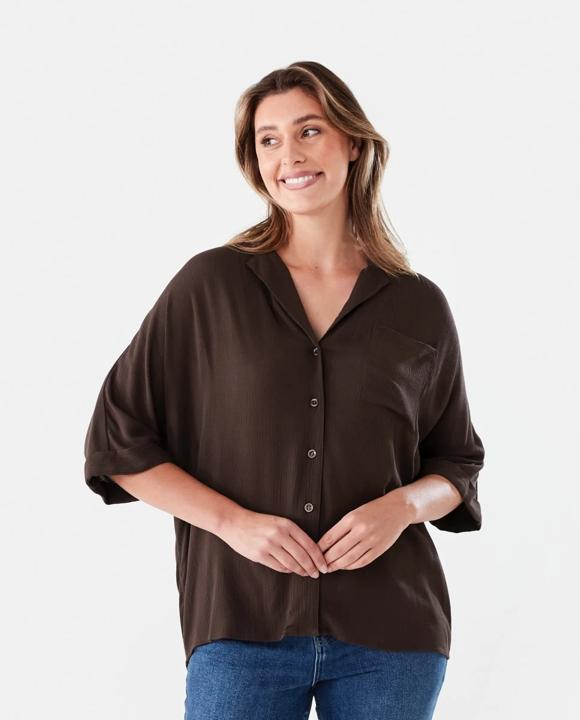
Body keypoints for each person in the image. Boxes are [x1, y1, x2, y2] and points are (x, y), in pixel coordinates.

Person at [84, 61, 485, 720]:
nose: (288, 155)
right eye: (268, 140)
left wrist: (401, 508)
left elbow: (457, 461)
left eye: (309, 131)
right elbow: (117, 443)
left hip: (393, 632)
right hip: (243, 622)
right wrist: (232, 524)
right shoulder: (210, 286)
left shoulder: (419, 305)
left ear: (351, 143)